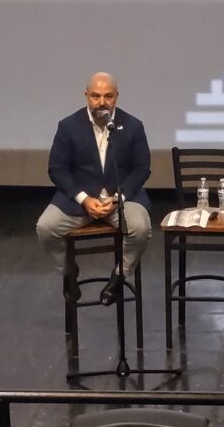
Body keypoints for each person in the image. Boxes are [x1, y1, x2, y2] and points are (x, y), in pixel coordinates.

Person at [35, 72, 153, 305]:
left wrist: (118, 197)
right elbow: (57, 169)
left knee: (140, 229)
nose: (101, 102)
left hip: (121, 199)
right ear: (86, 95)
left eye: (108, 96)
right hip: (80, 200)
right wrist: (83, 199)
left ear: (117, 97)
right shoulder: (68, 126)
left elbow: (142, 169)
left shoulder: (132, 126)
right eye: (95, 96)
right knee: (45, 228)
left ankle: (119, 277)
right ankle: (68, 271)